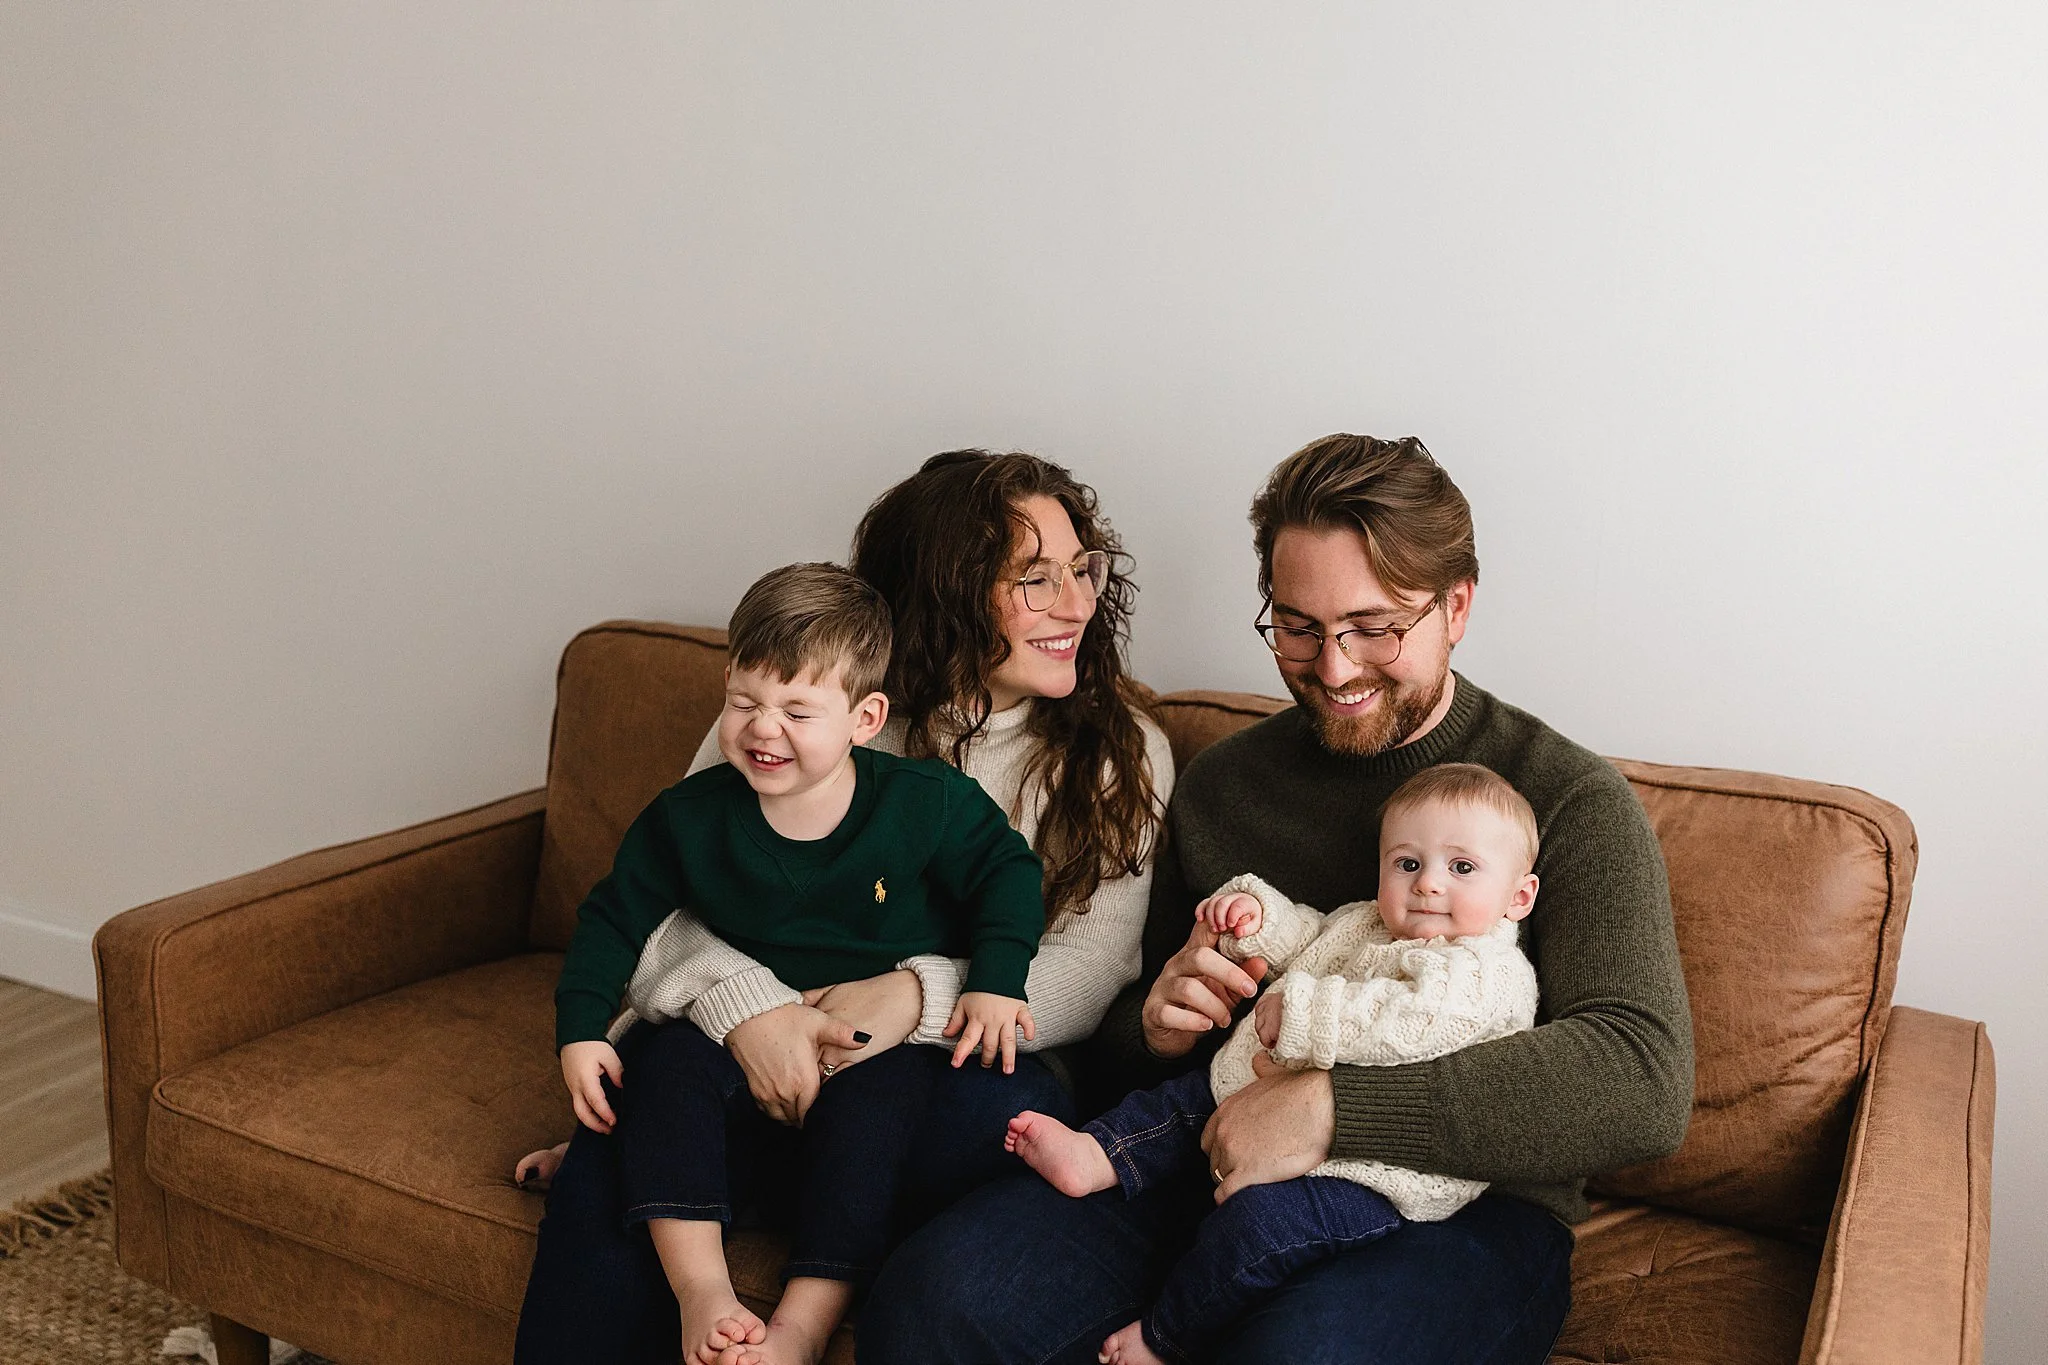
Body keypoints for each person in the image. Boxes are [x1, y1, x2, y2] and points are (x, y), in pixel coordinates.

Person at [856, 434, 1694, 1365]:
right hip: (1205, 1162)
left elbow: (1641, 1077)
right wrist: (1160, 1024)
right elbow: (1121, 1058)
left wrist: (1335, 1109)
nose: (1333, 669)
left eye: (1375, 627)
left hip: (1454, 1209)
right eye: (1297, 626)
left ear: (1456, 605)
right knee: (934, 1301)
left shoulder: (1562, 797)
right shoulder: (1224, 786)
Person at [514, 451, 1174, 1365]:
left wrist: (913, 996)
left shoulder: (1118, 751)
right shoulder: (791, 703)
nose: (1076, 602)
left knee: (984, 1114)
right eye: (1034, 578)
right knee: (634, 1108)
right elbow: (665, 899)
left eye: (1081, 567)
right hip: (753, 1046)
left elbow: (1093, 967)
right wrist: (754, 1011)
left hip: (940, 1073)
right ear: (946, 590)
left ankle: (765, 1243)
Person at [534, 560, 1043, 1365]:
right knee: (659, 1067)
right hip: (734, 1039)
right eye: (744, 702)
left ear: (865, 717)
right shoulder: (689, 817)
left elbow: (1009, 873)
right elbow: (612, 918)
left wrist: (994, 981)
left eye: (796, 711)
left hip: (864, 1048)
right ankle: (703, 1293)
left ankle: (802, 1325)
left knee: (877, 1119)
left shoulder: (923, 802)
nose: (762, 729)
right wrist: (580, 1029)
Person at [1006, 763, 1541, 1365]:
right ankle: (1099, 1154)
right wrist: (1256, 919)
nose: (1428, 885)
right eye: (1407, 863)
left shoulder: (1483, 972)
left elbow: (1409, 1020)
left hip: (1374, 1175)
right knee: (1182, 1103)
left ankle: (1167, 1336)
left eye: (1461, 867)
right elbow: (1311, 939)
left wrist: (1306, 1013)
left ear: (1518, 897)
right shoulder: (1366, 921)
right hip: (1255, 1099)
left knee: (1258, 1230)